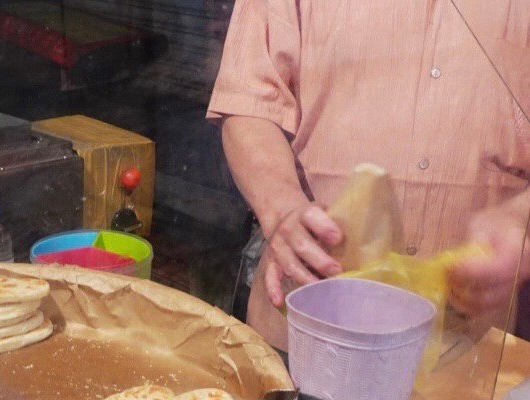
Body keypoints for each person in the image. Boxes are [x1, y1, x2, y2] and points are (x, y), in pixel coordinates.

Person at [206, 1, 530, 350]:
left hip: (471, 348)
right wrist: (283, 206)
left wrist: (521, 217)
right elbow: (248, 103)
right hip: (306, 320)